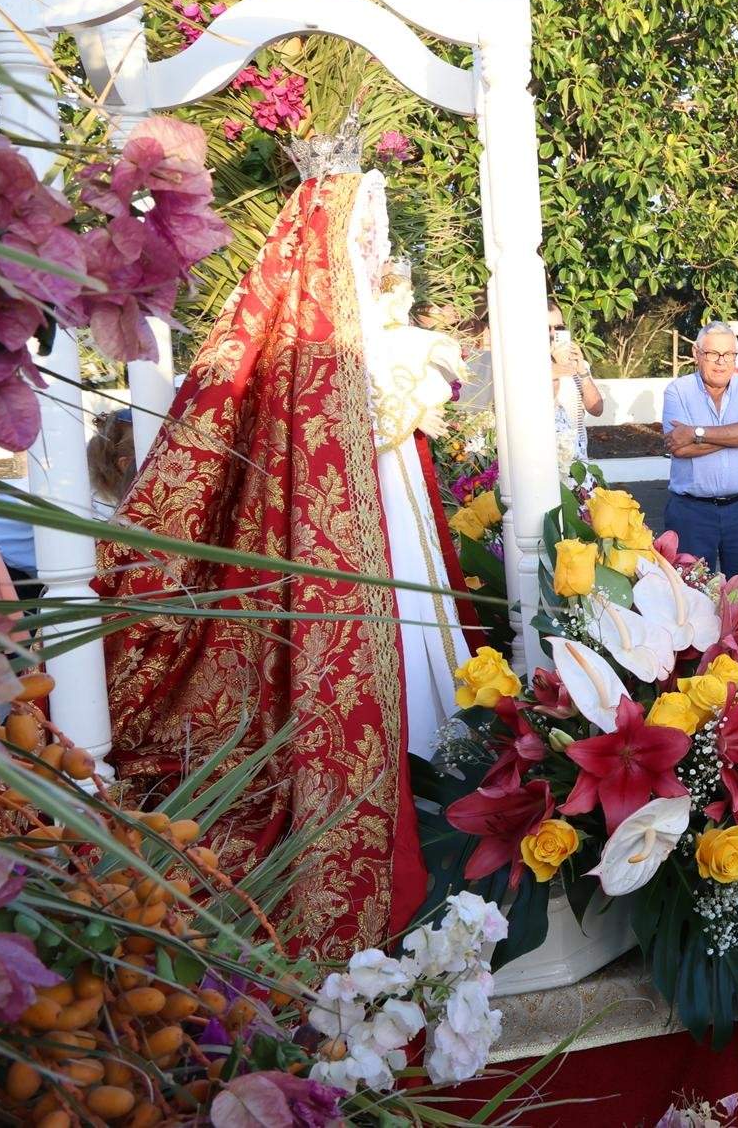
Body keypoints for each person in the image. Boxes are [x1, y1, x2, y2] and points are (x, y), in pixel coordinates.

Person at [100, 152, 455, 954]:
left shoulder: (369, 333)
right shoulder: (308, 342)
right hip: (348, 528)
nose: (373, 254)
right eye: (364, 236)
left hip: (394, 522)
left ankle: (438, 771)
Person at [662, 324, 738, 593]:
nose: (722, 362)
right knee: (690, 601)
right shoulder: (677, 390)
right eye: (713, 354)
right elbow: (679, 447)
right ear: (696, 353)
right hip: (691, 514)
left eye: (729, 354)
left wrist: (696, 433)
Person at [549, 300, 604, 469]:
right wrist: (557, 368)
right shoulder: (529, 369)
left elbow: (597, 409)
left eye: (558, 328)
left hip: (578, 460)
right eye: (545, 329)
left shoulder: (577, 365)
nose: (552, 334)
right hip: (548, 462)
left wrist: (582, 370)